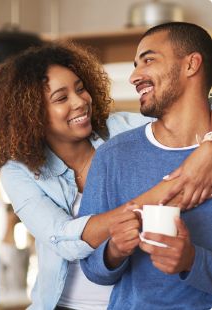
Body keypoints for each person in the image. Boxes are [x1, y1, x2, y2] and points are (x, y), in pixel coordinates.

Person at [0, 40, 211, 310]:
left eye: (80, 89)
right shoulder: (18, 171)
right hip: (65, 305)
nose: (80, 102)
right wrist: (171, 188)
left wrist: (208, 149)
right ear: (30, 114)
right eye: (61, 98)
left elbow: (194, 107)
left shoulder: (123, 130)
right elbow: (64, 238)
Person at [79, 22, 212, 310]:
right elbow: (90, 266)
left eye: (148, 60)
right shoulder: (113, 156)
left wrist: (193, 261)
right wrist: (114, 251)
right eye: (135, 65)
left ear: (192, 64)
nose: (134, 76)